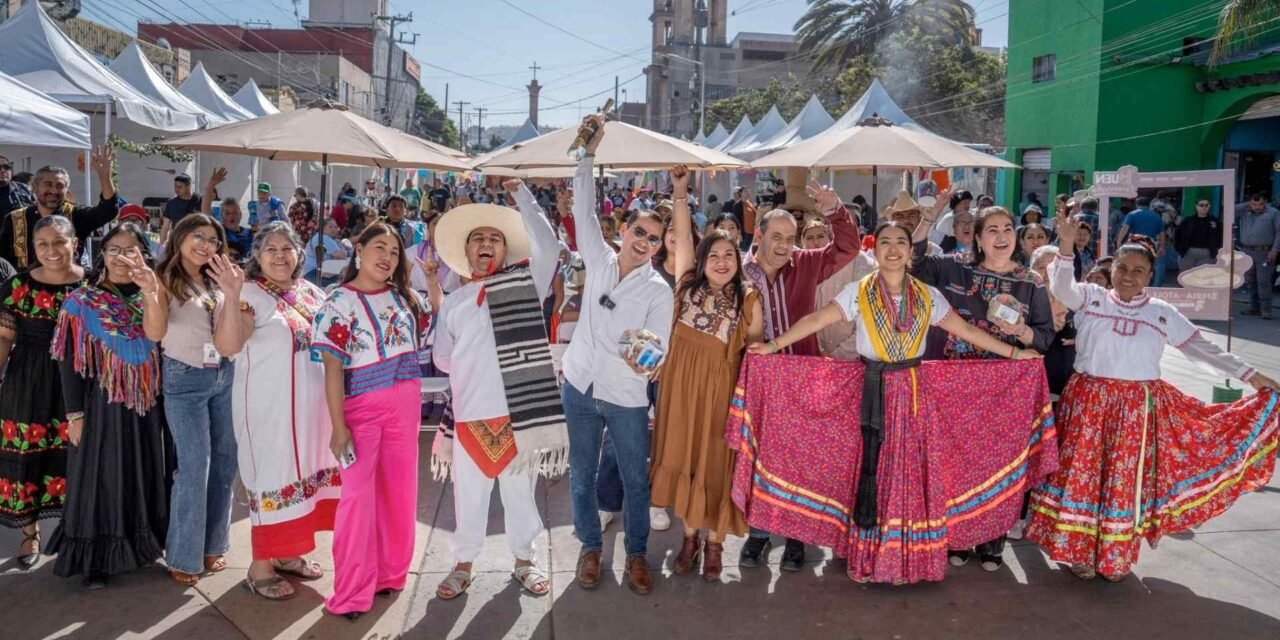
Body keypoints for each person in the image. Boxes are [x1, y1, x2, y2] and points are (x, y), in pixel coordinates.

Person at [743, 221, 1042, 584]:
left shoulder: (927, 295)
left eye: (901, 242)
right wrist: (774, 346)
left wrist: (1013, 353)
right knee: (870, 467)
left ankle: (905, 559)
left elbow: (966, 331)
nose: (894, 249)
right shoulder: (859, 291)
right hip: (871, 389)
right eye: (885, 242)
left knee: (907, 473)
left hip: (913, 392)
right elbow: (819, 318)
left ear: (911, 251)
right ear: (876, 250)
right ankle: (870, 553)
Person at [1026, 219, 1280, 582]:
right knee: (1083, 476)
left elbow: (1201, 348)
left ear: (1150, 274)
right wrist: (1065, 247)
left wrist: (1251, 375)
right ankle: (1078, 554)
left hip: (1135, 410)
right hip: (1089, 402)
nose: (1129, 276)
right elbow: (1062, 288)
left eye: (1139, 271)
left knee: (1121, 481)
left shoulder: (1160, 312)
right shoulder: (1092, 297)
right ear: (1111, 269)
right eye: (1123, 268)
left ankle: (1113, 556)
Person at [429, 180, 565, 600]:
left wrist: (523, 195)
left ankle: (525, 560)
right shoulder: (453, 302)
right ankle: (464, 562)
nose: (486, 244)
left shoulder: (526, 287)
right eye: (477, 240)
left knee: (520, 494)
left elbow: (551, 247)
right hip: (469, 415)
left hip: (520, 414)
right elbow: (442, 359)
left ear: (506, 252)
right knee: (468, 495)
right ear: (466, 253)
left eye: (494, 239)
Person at [561, 116, 674, 596]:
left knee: (634, 479)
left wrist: (635, 351)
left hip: (627, 396)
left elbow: (653, 355)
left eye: (654, 238)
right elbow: (583, 209)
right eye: (640, 232)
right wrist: (588, 154)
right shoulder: (599, 258)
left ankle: (636, 556)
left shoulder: (659, 290)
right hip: (580, 385)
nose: (645, 242)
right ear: (624, 229)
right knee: (582, 476)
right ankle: (590, 548)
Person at [911, 201, 1054, 570]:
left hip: (1004, 392)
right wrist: (928, 219)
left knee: (998, 465)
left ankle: (992, 540)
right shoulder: (953, 267)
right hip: (951, 386)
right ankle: (958, 537)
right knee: (955, 463)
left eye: (1008, 229)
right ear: (977, 238)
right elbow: (914, 262)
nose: (1002, 236)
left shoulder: (1030, 283)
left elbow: (1044, 338)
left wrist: (1019, 331)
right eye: (992, 230)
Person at [738, 176, 862, 571]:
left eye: (790, 238)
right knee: (758, 457)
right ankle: (757, 536)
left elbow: (848, 247)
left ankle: (796, 540)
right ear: (758, 235)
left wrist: (834, 210)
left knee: (798, 460)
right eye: (776, 236)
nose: (783, 245)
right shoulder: (738, 273)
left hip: (801, 377)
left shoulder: (806, 263)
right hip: (756, 380)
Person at [651, 166, 764, 582]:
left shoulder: (749, 300)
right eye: (713, 255)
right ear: (702, 260)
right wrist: (679, 194)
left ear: (739, 262)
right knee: (684, 460)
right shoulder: (685, 286)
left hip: (721, 399)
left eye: (729, 255)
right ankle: (689, 540)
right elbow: (682, 236)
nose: (720, 261)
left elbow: (754, 356)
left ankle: (715, 545)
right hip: (680, 394)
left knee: (716, 468)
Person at [310, 223, 426, 619]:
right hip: (360, 409)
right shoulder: (336, 302)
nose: (387, 257)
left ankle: (390, 574)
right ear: (358, 249)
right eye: (379, 247)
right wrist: (338, 427)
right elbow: (331, 369)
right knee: (357, 499)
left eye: (394, 251)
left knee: (399, 491)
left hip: (406, 404)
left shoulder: (401, 296)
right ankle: (352, 592)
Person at [45, 222, 169, 590]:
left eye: (131, 250)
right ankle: (95, 559)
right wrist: (75, 416)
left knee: (142, 471)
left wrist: (152, 293)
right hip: (102, 405)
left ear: (144, 256)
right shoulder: (82, 302)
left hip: (146, 405)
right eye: (114, 250)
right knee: (100, 477)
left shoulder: (155, 297)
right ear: (102, 254)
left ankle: (140, 546)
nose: (122, 258)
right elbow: (67, 362)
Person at [224, 222, 337, 600]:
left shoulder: (311, 292)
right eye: (269, 248)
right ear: (256, 255)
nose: (279, 255)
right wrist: (229, 293)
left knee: (302, 477)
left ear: (299, 254)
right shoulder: (249, 296)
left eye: (286, 248)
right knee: (272, 478)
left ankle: (289, 552)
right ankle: (260, 568)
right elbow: (229, 345)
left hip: (311, 411)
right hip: (267, 411)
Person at [139, 214, 244, 587]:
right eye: (198, 236)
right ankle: (183, 553)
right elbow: (154, 331)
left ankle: (213, 544)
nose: (206, 244)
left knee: (225, 462)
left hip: (223, 375)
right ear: (180, 237)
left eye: (213, 239)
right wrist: (151, 296)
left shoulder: (221, 280)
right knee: (195, 465)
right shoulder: (164, 278)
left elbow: (230, 344)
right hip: (184, 377)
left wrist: (232, 294)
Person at [0, 216, 85, 569]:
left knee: (78, 458)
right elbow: (4, 339)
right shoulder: (17, 286)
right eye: (43, 244)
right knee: (28, 457)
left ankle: (77, 531)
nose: (52, 250)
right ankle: (29, 533)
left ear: (74, 244)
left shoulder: (92, 285)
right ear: (33, 248)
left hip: (79, 384)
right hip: (28, 382)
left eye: (59, 242)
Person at [0, 150, 119, 270]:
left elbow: (107, 211)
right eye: (48, 184)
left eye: (60, 186)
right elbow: (4, 260)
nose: (54, 191)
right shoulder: (14, 219)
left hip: (70, 286)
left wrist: (104, 176)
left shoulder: (76, 214)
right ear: (35, 188)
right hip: (25, 286)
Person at [1236, 193, 1279, 319]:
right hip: (1247, 252)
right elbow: (1230, 209)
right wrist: (1247, 205)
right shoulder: (1245, 211)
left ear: (1265, 202)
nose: (1257, 207)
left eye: (1260, 204)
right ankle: (1253, 307)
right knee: (1251, 282)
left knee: (1263, 282)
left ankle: (1266, 310)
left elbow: (1279, 232)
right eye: (1254, 204)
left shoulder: (1273, 213)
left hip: (1265, 252)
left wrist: (1275, 250)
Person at [201, 168, 253, 260]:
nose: (231, 216)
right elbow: (205, 209)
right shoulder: (219, 230)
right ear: (221, 215)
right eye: (227, 213)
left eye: (235, 213)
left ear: (241, 215)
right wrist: (211, 184)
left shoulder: (250, 233)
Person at [1117, 196, 1167, 285]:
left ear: (1137, 204)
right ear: (1149, 205)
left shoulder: (1132, 214)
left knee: (1134, 264)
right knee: (1150, 264)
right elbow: (1162, 233)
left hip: (1135, 244)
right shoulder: (1156, 216)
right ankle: (1153, 285)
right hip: (1151, 244)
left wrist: (1119, 241)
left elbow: (1125, 228)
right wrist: (1162, 246)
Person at [1175, 197, 1222, 272]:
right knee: (1186, 276)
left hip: (1207, 253)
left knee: (1202, 277)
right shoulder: (1188, 220)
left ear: (1209, 206)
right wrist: (1178, 248)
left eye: (1206, 205)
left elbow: (1220, 236)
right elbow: (1177, 234)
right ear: (1196, 206)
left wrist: (1216, 249)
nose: (1204, 207)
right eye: (1201, 205)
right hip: (1188, 252)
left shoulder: (1215, 221)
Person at [303, 218, 349, 285]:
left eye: (336, 227)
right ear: (323, 228)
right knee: (344, 282)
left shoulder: (317, 236)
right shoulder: (324, 238)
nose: (334, 229)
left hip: (308, 274)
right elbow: (342, 255)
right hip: (314, 274)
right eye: (330, 227)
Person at [161, 173, 202, 245]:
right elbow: (165, 227)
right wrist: (160, 246)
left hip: (196, 241)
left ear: (188, 187)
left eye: (180, 187)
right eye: (175, 186)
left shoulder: (199, 200)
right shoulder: (171, 203)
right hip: (177, 241)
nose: (176, 189)